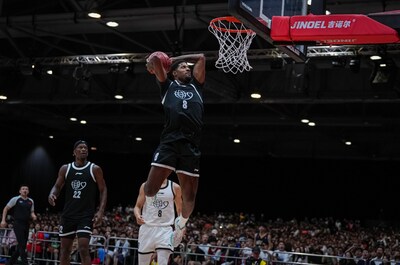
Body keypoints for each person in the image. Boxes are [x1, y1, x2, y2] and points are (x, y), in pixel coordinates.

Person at [145, 52, 206, 247]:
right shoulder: (167, 86)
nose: (187, 68)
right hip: (170, 142)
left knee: (190, 197)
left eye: (188, 66)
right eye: (182, 67)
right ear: (173, 73)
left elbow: (202, 57)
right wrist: (156, 62)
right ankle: (163, 196)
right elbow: (154, 59)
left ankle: (180, 225)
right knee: (150, 190)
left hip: (191, 145)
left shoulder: (196, 87)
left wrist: (176, 59)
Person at [48, 140, 107, 265]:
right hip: (68, 214)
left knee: (83, 248)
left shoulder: (94, 169)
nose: (83, 149)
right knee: (64, 250)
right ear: (74, 152)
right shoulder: (66, 168)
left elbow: (103, 190)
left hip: (85, 215)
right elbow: (57, 186)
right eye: (80, 148)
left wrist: (100, 211)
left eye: (85, 148)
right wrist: (52, 194)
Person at [134, 178, 182, 265]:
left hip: (165, 229)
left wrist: (182, 226)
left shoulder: (175, 187)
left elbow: (180, 210)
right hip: (147, 228)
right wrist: (137, 215)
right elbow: (137, 206)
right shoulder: (145, 186)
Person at [1, 185, 37, 265]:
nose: (25, 190)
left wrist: (33, 215)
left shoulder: (31, 201)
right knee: (21, 245)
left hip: (26, 224)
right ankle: (25, 263)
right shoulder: (16, 199)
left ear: (28, 191)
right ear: (20, 191)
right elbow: (6, 208)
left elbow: (32, 212)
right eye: (23, 189)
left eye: (27, 189)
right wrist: (3, 220)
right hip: (18, 224)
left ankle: (10, 263)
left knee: (22, 246)